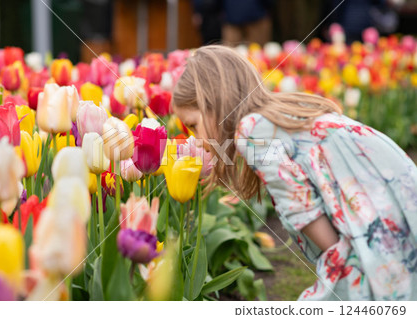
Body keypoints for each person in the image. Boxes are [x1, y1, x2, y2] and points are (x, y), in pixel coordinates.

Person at [172, 45, 417, 300]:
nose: (196, 140)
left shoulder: (252, 130)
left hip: (376, 218)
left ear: (214, 102)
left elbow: (308, 216)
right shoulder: (281, 114)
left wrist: (343, 267)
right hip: (396, 199)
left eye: (193, 125)